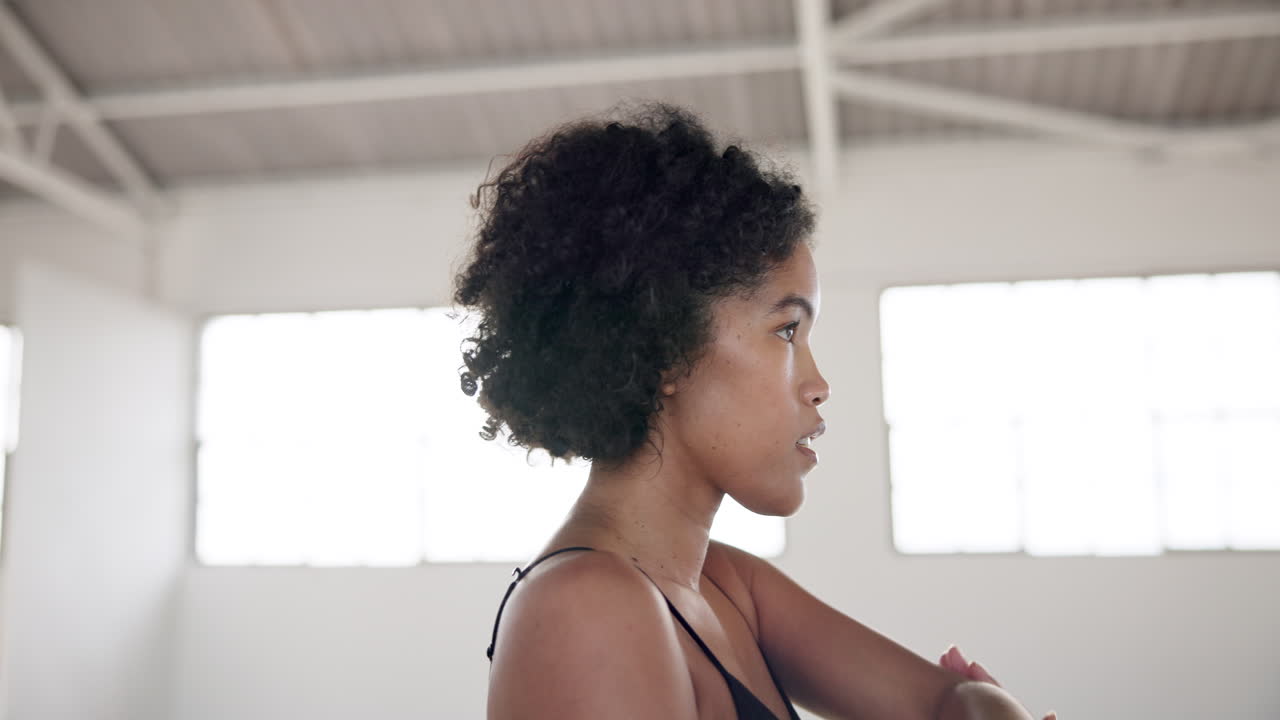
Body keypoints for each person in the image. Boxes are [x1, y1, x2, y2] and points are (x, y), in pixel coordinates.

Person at [453, 101, 1056, 720]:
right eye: (787, 331)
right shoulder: (586, 607)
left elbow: (956, 700)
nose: (819, 385)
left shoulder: (728, 586)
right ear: (666, 348)